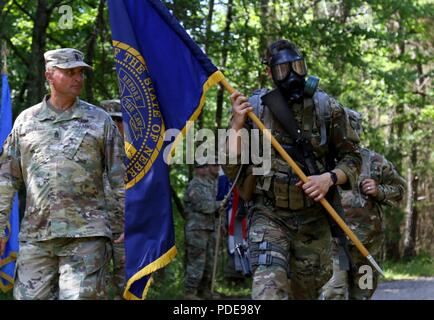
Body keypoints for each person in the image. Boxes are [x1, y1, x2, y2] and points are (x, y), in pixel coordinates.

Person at [222, 39, 362, 300]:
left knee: (305, 293)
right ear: (270, 73)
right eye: (284, 70)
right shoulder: (255, 109)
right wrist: (237, 126)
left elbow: (353, 158)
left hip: (314, 219)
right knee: (267, 291)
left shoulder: (326, 108)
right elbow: (230, 167)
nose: (294, 76)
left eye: (298, 66)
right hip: (269, 215)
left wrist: (328, 178)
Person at [0, 48, 125, 300]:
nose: (78, 78)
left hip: (86, 236)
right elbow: (6, 178)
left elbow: (120, 179)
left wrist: (126, 225)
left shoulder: (100, 120)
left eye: (80, 72)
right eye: (69, 72)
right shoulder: (26, 121)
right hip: (37, 236)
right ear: (49, 74)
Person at [320, 110, 406, 300]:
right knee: (333, 293)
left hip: (367, 245)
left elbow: (400, 190)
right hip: (335, 245)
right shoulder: (322, 161)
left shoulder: (375, 161)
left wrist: (379, 191)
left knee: (363, 295)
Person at [100, 99, 126, 300]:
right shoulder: (88, 151)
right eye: (110, 121)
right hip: (95, 229)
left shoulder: (137, 158)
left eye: (119, 121)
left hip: (125, 231)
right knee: (93, 285)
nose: (115, 127)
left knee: (125, 285)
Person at [183, 161, 221, 299]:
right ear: (197, 169)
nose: (205, 169)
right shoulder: (195, 184)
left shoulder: (210, 184)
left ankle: (204, 290)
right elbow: (204, 206)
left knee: (209, 262)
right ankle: (190, 292)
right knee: (196, 262)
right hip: (197, 229)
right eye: (201, 167)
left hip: (209, 227)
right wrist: (219, 204)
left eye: (206, 166)